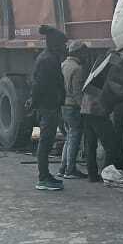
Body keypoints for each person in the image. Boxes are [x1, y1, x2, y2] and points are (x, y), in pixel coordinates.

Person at [81, 61, 123, 183]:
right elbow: (118, 89)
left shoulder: (95, 71)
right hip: (98, 111)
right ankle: (107, 174)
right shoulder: (111, 71)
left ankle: (92, 175)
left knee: (90, 145)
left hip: (86, 110)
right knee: (111, 145)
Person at [29, 25, 67, 191]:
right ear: (55, 43)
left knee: (46, 141)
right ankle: (43, 177)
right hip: (48, 106)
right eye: (62, 43)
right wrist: (35, 102)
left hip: (49, 105)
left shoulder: (48, 58)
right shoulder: (48, 60)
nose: (64, 47)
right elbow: (40, 86)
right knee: (45, 142)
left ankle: (45, 176)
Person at [58, 41, 89, 180]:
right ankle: (70, 169)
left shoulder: (63, 65)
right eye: (83, 52)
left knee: (69, 137)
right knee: (74, 138)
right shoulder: (77, 69)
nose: (85, 55)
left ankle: (62, 168)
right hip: (73, 107)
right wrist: (84, 107)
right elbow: (77, 92)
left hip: (63, 106)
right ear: (78, 53)